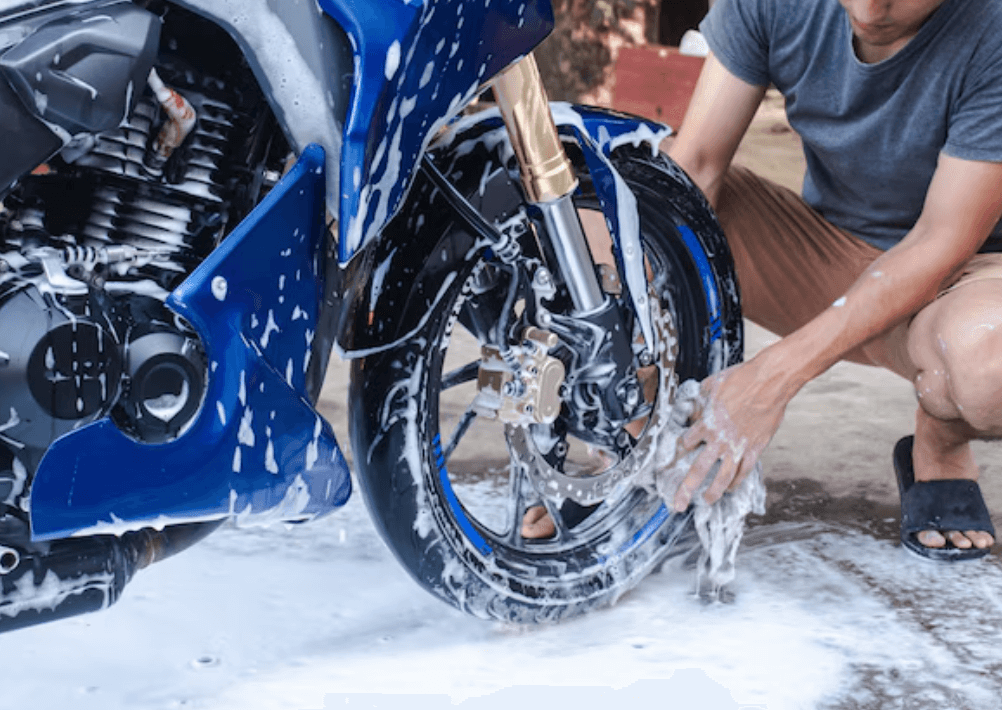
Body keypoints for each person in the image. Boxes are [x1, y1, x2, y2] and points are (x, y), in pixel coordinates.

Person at [666, 0, 1002, 558]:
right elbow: (697, 164)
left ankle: (940, 443)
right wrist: (639, 374)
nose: (871, 8)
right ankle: (635, 450)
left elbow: (939, 244)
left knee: (992, 367)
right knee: (627, 204)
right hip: (816, 250)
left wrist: (771, 378)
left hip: (954, 279)